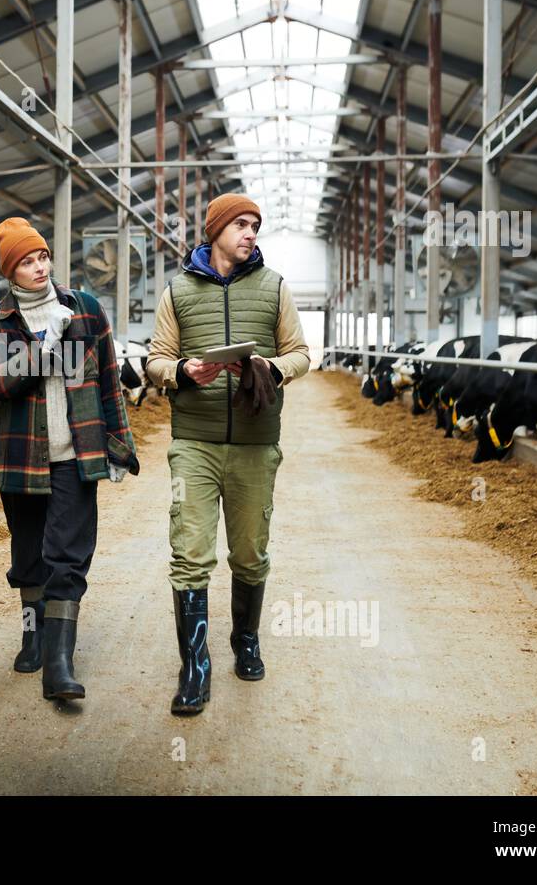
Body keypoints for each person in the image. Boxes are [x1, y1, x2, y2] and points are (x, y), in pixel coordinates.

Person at [146, 194, 310, 715]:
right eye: (241, 224)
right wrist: (183, 372)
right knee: (190, 553)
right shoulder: (178, 291)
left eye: (256, 226)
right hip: (193, 441)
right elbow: (155, 359)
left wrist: (269, 368)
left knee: (249, 551)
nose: (250, 233)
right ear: (215, 229)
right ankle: (195, 666)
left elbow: (304, 354)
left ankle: (247, 639)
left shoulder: (275, 287)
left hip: (255, 445)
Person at [0, 217, 140, 702]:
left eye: (43, 256)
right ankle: (33, 635)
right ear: (10, 271)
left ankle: (58, 662)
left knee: (67, 555)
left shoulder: (84, 309)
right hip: (21, 457)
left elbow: (109, 379)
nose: (39, 266)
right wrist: (41, 348)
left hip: (74, 453)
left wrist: (119, 445)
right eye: (27, 261)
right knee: (28, 556)